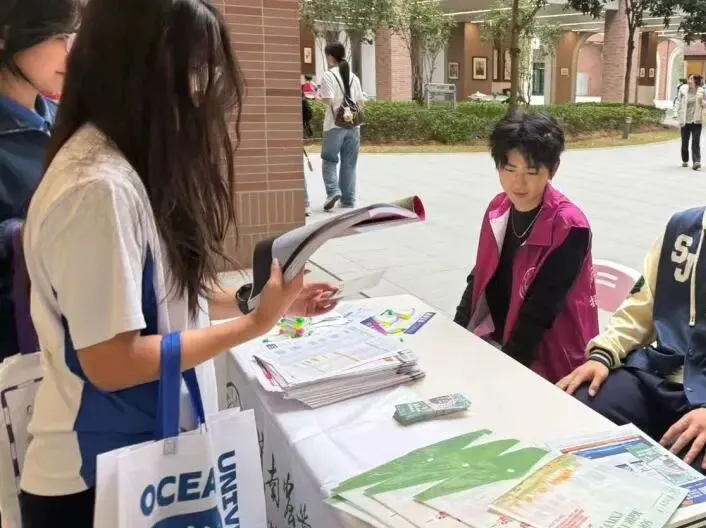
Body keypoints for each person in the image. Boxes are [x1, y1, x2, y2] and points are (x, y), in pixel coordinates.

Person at [19, 0, 337, 525]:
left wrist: (255, 300)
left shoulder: (122, 165)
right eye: (196, 69)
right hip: (93, 482)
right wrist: (255, 325)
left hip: (138, 463)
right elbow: (112, 361)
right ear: (143, 69)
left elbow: (158, 295)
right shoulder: (97, 187)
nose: (205, 91)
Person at [558, 205, 706, 472]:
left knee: (687, 468)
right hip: (659, 372)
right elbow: (643, 305)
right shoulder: (682, 228)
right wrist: (603, 354)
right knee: (579, 408)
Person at [454, 112, 598, 383]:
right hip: (497, 341)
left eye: (531, 172)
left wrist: (505, 373)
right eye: (509, 170)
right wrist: (457, 332)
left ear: (553, 170)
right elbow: (480, 274)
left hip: (548, 357)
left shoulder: (570, 226)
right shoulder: (498, 208)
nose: (518, 184)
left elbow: (540, 312)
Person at [0, 0, 78, 360]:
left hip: (80, 340)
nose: (70, 52)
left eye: (72, 36)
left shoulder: (68, 120)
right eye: (58, 36)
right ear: (6, 35)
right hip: (17, 357)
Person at [319, 42, 365, 212]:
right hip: (354, 125)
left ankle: (333, 192)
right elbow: (361, 103)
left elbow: (329, 100)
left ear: (330, 57)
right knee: (349, 163)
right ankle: (348, 199)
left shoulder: (328, 76)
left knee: (329, 160)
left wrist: (318, 98)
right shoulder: (354, 77)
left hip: (334, 125)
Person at [674, 74, 704, 170]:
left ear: (696, 81)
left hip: (696, 120)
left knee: (696, 141)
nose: (689, 80)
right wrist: (676, 113)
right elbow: (678, 101)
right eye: (689, 78)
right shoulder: (683, 90)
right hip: (685, 120)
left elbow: (704, 103)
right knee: (685, 141)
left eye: (691, 79)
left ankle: (696, 162)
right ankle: (685, 160)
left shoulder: (702, 91)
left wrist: (703, 102)